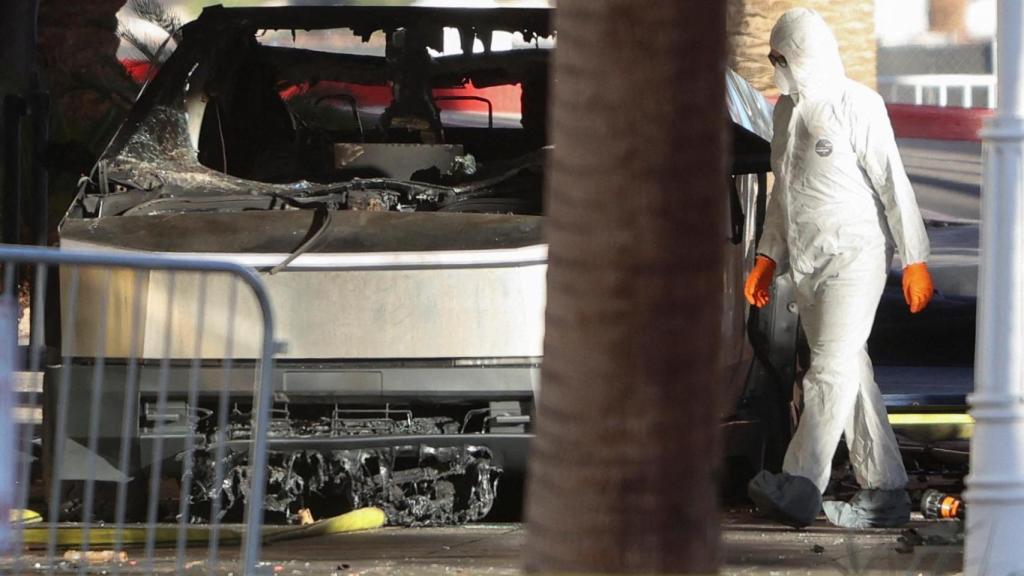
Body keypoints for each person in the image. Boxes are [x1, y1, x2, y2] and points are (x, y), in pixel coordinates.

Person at [744, 7, 935, 529]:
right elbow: (783, 194)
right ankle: (886, 491)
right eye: (773, 57)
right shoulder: (785, 114)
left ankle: (800, 483)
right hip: (808, 263)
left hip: (856, 257)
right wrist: (767, 258)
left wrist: (915, 259)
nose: (776, 66)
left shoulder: (859, 104)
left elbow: (893, 183)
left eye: (782, 57)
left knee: (828, 368)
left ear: (805, 54)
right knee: (850, 369)